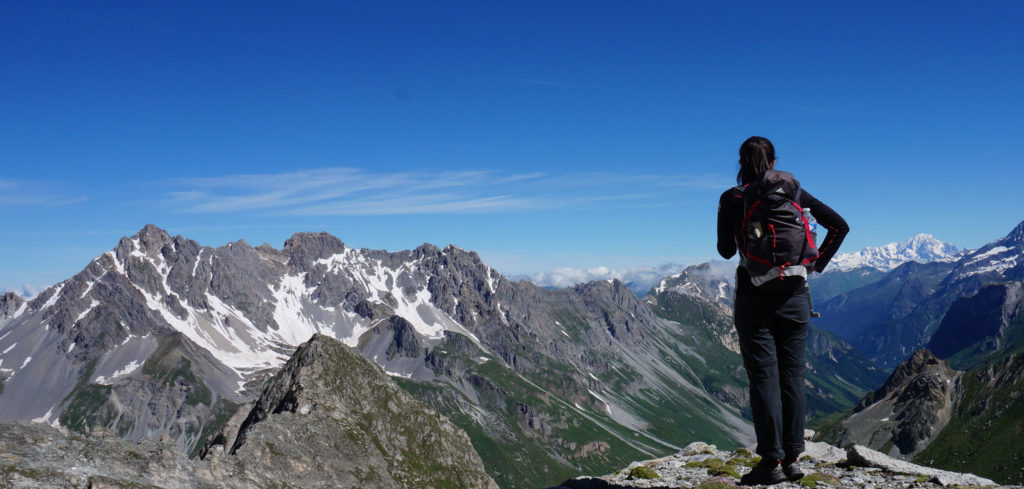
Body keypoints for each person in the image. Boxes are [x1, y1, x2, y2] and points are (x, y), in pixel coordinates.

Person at [717, 136, 848, 485]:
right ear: (774, 162)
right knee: (793, 377)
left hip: (753, 298)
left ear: (741, 163)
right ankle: (793, 459)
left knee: (764, 380)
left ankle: (770, 463)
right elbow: (839, 226)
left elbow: (726, 251)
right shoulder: (794, 193)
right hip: (795, 296)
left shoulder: (733, 198)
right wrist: (813, 264)